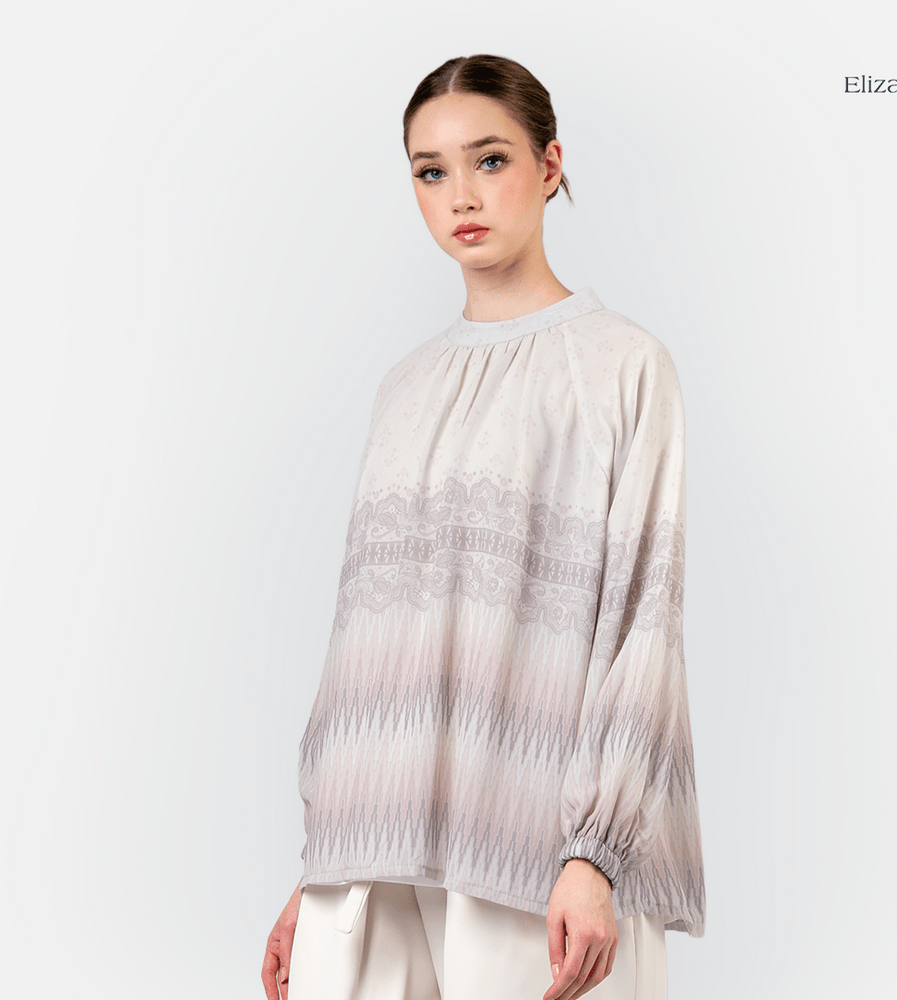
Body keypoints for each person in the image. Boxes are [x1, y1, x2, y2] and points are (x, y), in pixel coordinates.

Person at [262, 54, 705, 1000]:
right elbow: (362, 642)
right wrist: (319, 866)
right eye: (431, 171)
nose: (460, 194)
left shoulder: (624, 367)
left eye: (490, 159)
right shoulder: (404, 387)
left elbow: (643, 624)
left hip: (533, 851)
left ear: (550, 165)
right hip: (369, 859)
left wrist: (595, 855)